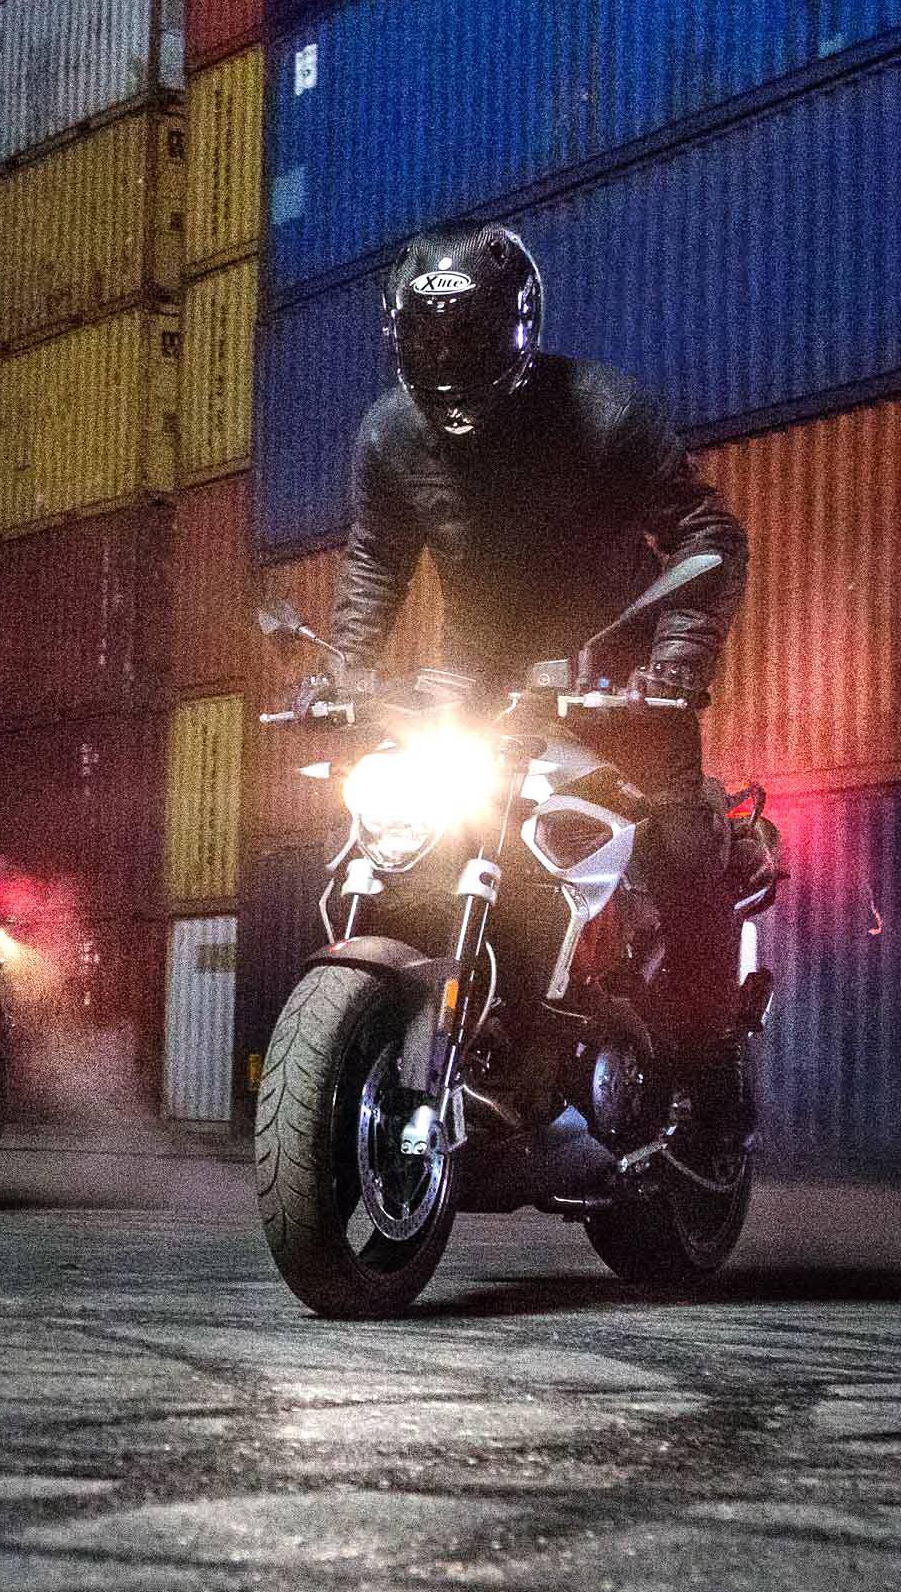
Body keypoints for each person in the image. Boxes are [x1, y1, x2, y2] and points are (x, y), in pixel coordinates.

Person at [322, 219, 752, 1058]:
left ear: (519, 326)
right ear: (397, 335)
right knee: (396, 833)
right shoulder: (388, 435)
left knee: (678, 841)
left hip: (614, 673)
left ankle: (707, 1063)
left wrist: (672, 667)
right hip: (473, 681)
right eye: (426, 337)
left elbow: (707, 536)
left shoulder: (605, 413)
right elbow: (374, 561)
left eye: (468, 334)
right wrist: (346, 671)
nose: (446, 356)